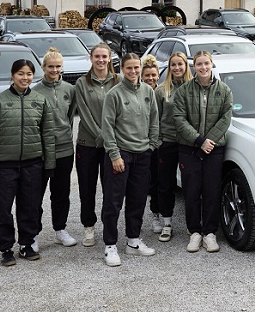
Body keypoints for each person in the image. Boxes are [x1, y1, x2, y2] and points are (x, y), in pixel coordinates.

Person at [0, 59, 59, 267]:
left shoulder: (40, 101)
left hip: (33, 164)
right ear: (12, 75)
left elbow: (48, 134)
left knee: (30, 206)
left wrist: (49, 163)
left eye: (28, 74)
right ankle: (6, 248)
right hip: (5, 166)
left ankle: (27, 244)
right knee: (2, 208)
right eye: (20, 74)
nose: (25, 78)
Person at [99, 53, 160, 266]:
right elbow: (107, 128)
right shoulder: (114, 95)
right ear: (122, 69)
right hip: (121, 155)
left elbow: (154, 120)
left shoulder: (147, 92)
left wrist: (151, 146)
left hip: (142, 154)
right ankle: (110, 245)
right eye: (129, 68)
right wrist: (115, 155)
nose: (133, 72)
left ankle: (133, 241)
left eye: (136, 68)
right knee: (113, 202)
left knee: (138, 199)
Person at [172, 50, 234, 253]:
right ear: (194, 66)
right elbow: (179, 119)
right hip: (189, 148)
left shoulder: (224, 90)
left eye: (206, 63)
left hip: (214, 150)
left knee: (211, 191)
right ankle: (195, 232)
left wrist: (210, 141)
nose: (203, 67)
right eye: (199, 64)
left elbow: (226, 117)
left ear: (211, 64)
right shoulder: (184, 91)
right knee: (191, 191)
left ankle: (210, 233)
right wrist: (199, 140)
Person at [73, 43, 118, 247]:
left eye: (104, 56)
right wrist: (101, 137)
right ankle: (89, 227)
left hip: (111, 146)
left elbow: (120, 114)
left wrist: (108, 140)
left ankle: (110, 226)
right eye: (97, 56)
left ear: (109, 59)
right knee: (87, 187)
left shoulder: (118, 81)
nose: (100, 60)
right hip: (88, 144)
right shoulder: (82, 83)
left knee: (111, 189)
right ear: (91, 58)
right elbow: (84, 113)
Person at [36, 49, 79, 248]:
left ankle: (60, 229)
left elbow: (70, 116)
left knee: (61, 192)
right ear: (43, 67)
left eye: (58, 66)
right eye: (50, 66)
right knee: (35, 194)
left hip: (64, 149)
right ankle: (32, 233)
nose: (54, 70)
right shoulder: (35, 91)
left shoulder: (69, 89)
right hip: (41, 151)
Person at [151, 51, 189, 242]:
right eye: (173, 65)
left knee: (190, 185)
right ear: (169, 68)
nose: (177, 68)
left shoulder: (193, 88)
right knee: (165, 184)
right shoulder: (161, 91)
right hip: (167, 143)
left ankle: (193, 225)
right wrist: (158, 141)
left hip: (188, 144)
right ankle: (166, 222)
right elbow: (155, 119)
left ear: (185, 66)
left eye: (180, 64)